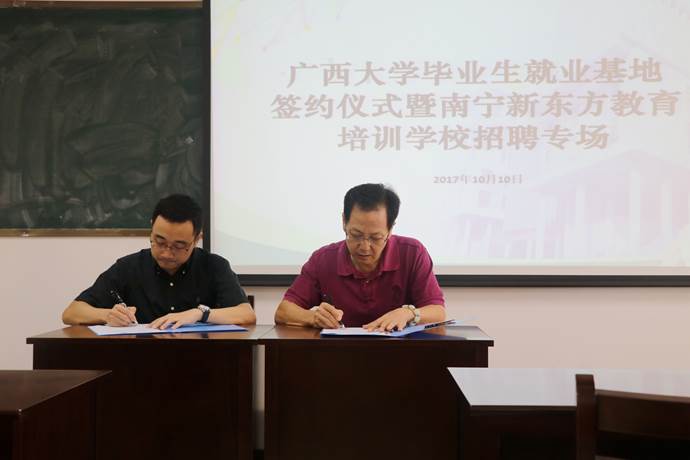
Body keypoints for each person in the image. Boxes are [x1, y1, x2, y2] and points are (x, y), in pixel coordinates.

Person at [62, 194, 255, 329]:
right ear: (151, 228)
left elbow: (246, 314)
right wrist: (107, 315)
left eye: (179, 246)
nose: (167, 253)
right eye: (160, 242)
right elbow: (71, 313)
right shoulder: (129, 268)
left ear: (197, 239)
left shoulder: (214, 266)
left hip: (202, 362)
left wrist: (199, 314)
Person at [274, 183, 445, 331]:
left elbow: (438, 312)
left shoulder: (412, 253)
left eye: (375, 238)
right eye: (356, 235)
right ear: (344, 221)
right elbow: (283, 311)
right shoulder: (323, 259)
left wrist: (408, 313)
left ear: (390, 229)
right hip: (339, 352)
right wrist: (314, 317)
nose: (364, 247)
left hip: (399, 352)